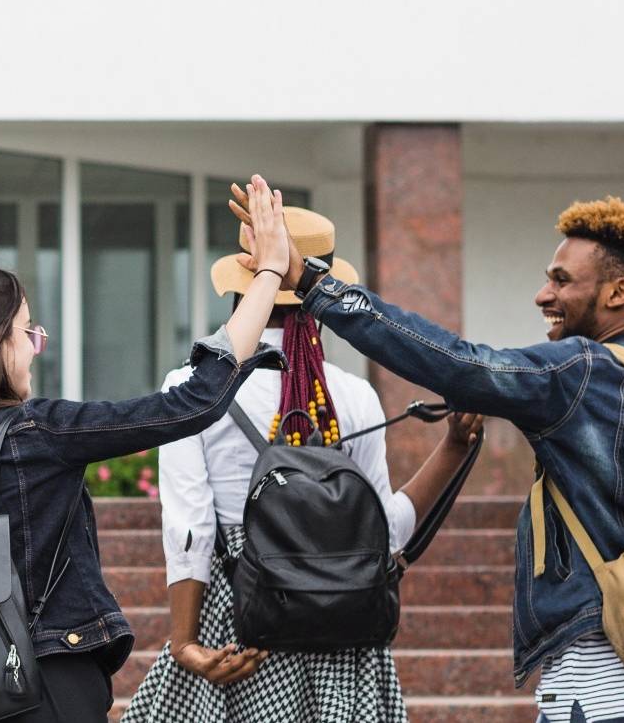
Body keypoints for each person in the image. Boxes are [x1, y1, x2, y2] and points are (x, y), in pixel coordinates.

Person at [230, 189, 624, 723]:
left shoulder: (582, 372)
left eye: (560, 280)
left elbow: (457, 364)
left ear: (618, 293)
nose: (543, 295)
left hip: (609, 685)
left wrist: (308, 281)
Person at [0, 175, 296, 723]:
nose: (36, 349)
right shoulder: (39, 432)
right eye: (27, 332)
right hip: (44, 682)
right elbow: (193, 403)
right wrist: (270, 272)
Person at [123, 208, 484, 723]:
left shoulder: (191, 390)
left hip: (241, 629)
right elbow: (384, 538)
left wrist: (184, 642)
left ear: (241, 292)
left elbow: (191, 530)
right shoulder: (354, 396)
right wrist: (451, 449)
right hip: (342, 632)